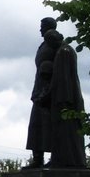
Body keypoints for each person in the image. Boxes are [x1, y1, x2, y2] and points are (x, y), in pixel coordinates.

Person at [44, 29, 86, 168]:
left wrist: (61, 99)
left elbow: (63, 78)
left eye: (49, 42)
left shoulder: (63, 52)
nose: (49, 46)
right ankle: (62, 159)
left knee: (67, 131)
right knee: (65, 131)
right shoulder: (66, 50)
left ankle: (67, 160)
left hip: (65, 99)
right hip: (67, 97)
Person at [24, 17, 58, 168]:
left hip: (48, 91)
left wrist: (48, 67)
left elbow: (61, 61)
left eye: (42, 26)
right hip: (39, 89)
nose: (40, 29)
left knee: (49, 125)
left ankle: (54, 157)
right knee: (36, 126)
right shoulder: (44, 43)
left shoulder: (52, 40)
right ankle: (38, 158)